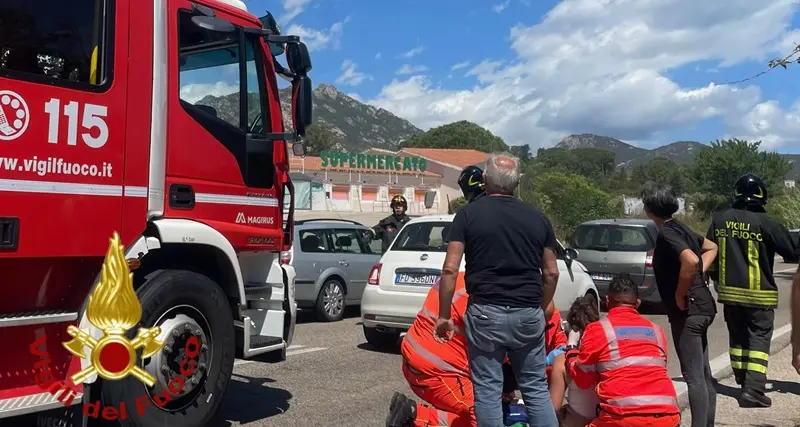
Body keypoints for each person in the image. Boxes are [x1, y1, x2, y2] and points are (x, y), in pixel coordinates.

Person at [434, 152, 560, 427]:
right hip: (527, 311)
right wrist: (541, 307)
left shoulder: (467, 215)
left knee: (488, 391)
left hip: (485, 313)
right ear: (516, 183)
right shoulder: (537, 217)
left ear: (486, 179)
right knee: (536, 389)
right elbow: (551, 272)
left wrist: (444, 316)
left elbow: (449, 269)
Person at [706, 173, 797, 407]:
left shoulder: (720, 220)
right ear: (761, 195)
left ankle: (742, 380)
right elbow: (793, 252)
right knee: (758, 340)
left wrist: (716, 280)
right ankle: (754, 390)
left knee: (738, 339)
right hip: (760, 295)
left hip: (729, 294)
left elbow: (710, 254)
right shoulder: (766, 223)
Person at [641, 184, 718, 426]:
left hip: (689, 310)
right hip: (704, 306)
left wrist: (680, 292)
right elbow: (711, 247)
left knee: (693, 377)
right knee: (704, 376)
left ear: (649, 209)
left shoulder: (666, 233)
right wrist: (697, 274)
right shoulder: (680, 227)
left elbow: (691, 259)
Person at [565, 275, 681, 427]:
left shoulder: (598, 329)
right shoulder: (657, 331)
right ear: (637, 303)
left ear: (607, 301)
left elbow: (582, 380)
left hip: (622, 418)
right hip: (668, 417)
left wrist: (571, 349)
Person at [560, 295, 601, 427]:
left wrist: (571, 346)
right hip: (602, 419)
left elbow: (553, 407)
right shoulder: (608, 354)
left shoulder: (561, 360)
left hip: (575, 422)